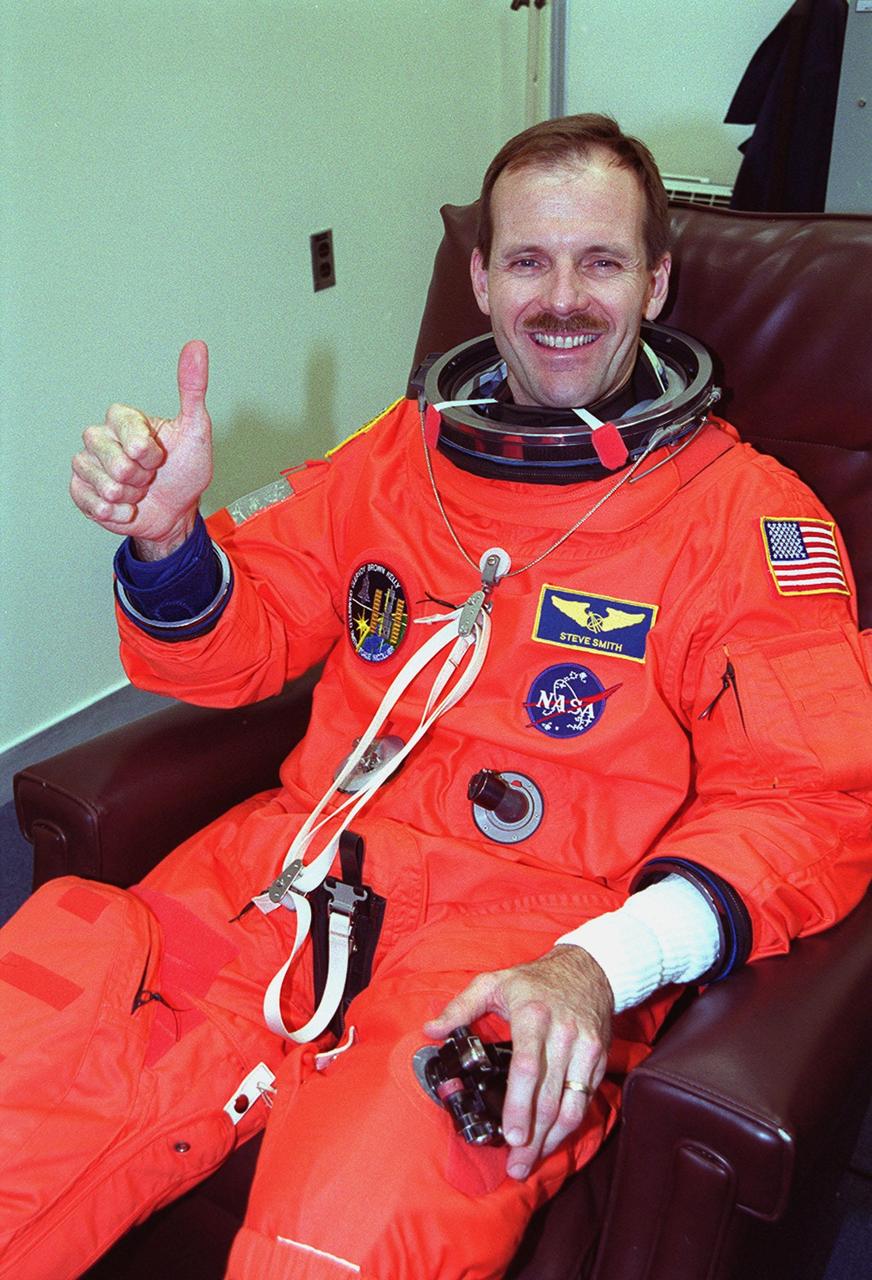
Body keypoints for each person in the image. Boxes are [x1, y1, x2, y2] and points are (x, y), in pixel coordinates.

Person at [3, 113, 872, 1280]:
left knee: (341, 1241)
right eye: (526, 259)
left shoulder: (744, 521)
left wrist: (599, 964)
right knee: (32, 1060)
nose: (560, 297)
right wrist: (168, 547)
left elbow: (808, 802)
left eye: (600, 260)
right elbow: (240, 644)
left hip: (521, 949)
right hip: (283, 875)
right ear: (478, 278)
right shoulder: (393, 457)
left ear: (656, 281)